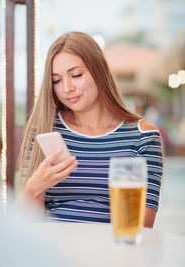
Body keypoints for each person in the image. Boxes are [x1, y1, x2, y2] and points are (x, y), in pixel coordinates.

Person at [17, 31, 163, 227]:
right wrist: (34, 188)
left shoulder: (142, 136)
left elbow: (142, 224)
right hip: (53, 250)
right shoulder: (44, 130)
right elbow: (24, 223)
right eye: (56, 80)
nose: (67, 88)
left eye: (76, 75)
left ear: (99, 70)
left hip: (112, 253)